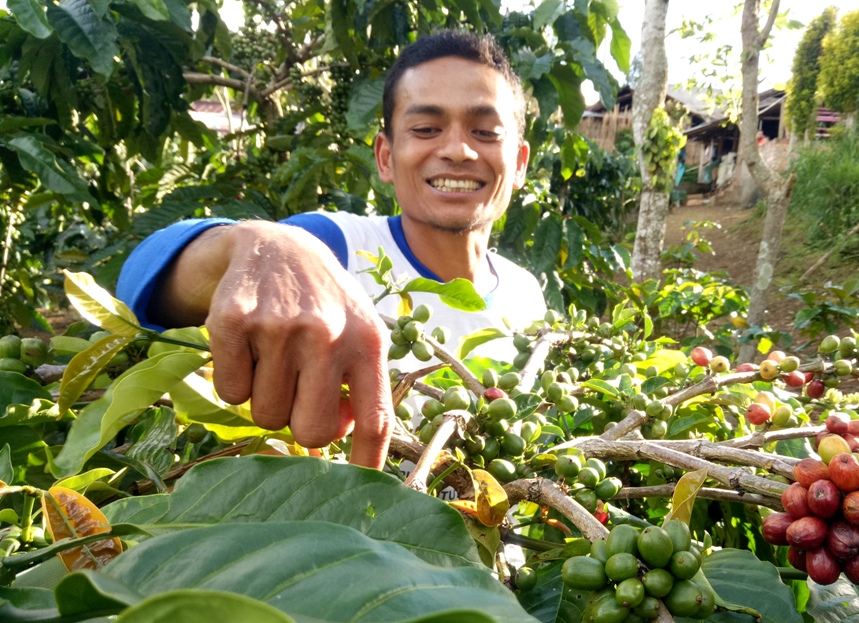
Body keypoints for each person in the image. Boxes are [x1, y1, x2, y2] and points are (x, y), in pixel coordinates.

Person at [116, 30, 547, 468]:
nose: (457, 149)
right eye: (425, 129)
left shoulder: (526, 294)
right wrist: (258, 246)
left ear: (520, 164)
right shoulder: (333, 247)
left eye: (486, 132)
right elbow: (136, 284)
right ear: (384, 157)